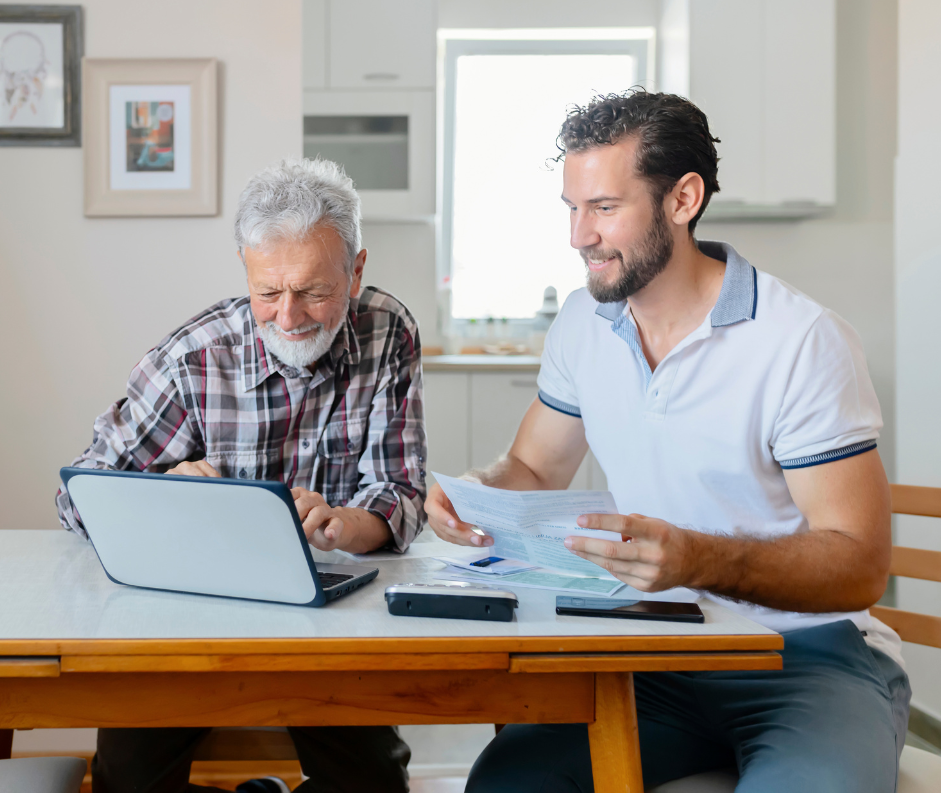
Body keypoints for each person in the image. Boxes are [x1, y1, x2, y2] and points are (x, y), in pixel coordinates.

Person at [426, 91, 909, 793]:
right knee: (508, 782)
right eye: (572, 207)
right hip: (656, 651)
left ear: (683, 199)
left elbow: (860, 565)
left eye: (604, 208)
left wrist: (696, 558)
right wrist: (475, 495)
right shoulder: (584, 323)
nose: (578, 236)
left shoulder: (801, 340)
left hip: (807, 659)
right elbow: (533, 465)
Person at [56, 157, 424, 793]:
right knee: (127, 785)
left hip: (328, 622)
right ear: (245, 270)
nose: (289, 317)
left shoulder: (386, 332)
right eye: (268, 292)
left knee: (376, 786)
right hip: (186, 619)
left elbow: (400, 493)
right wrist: (165, 496)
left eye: (313, 291)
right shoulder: (194, 358)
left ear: (356, 270)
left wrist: (348, 525)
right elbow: (78, 491)